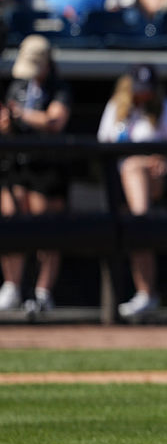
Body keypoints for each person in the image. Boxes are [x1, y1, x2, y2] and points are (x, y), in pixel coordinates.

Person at [97, 64, 167, 321]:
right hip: (118, 184)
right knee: (136, 232)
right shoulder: (116, 107)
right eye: (139, 89)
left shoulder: (165, 107)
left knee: (138, 208)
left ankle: (146, 292)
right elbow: (103, 144)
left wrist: (162, 158)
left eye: (147, 89)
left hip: (156, 182)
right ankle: (145, 293)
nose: (143, 94)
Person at [0, 36, 71, 316]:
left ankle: (42, 293)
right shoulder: (17, 86)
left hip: (47, 168)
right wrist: (7, 123)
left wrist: (22, 115)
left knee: (46, 229)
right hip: (18, 166)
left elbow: (54, 121)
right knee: (10, 221)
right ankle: (12, 287)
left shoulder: (59, 88)